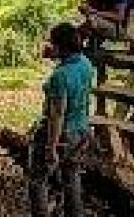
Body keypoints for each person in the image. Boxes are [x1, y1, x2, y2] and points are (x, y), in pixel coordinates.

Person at [28, 23, 94, 217]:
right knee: (71, 177)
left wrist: (51, 147)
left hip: (63, 134)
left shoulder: (60, 76)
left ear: (61, 47)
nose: (49, 46)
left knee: (38, 180)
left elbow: (57, 114)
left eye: (53, 43)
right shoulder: (85, 63)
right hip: (81, 130)